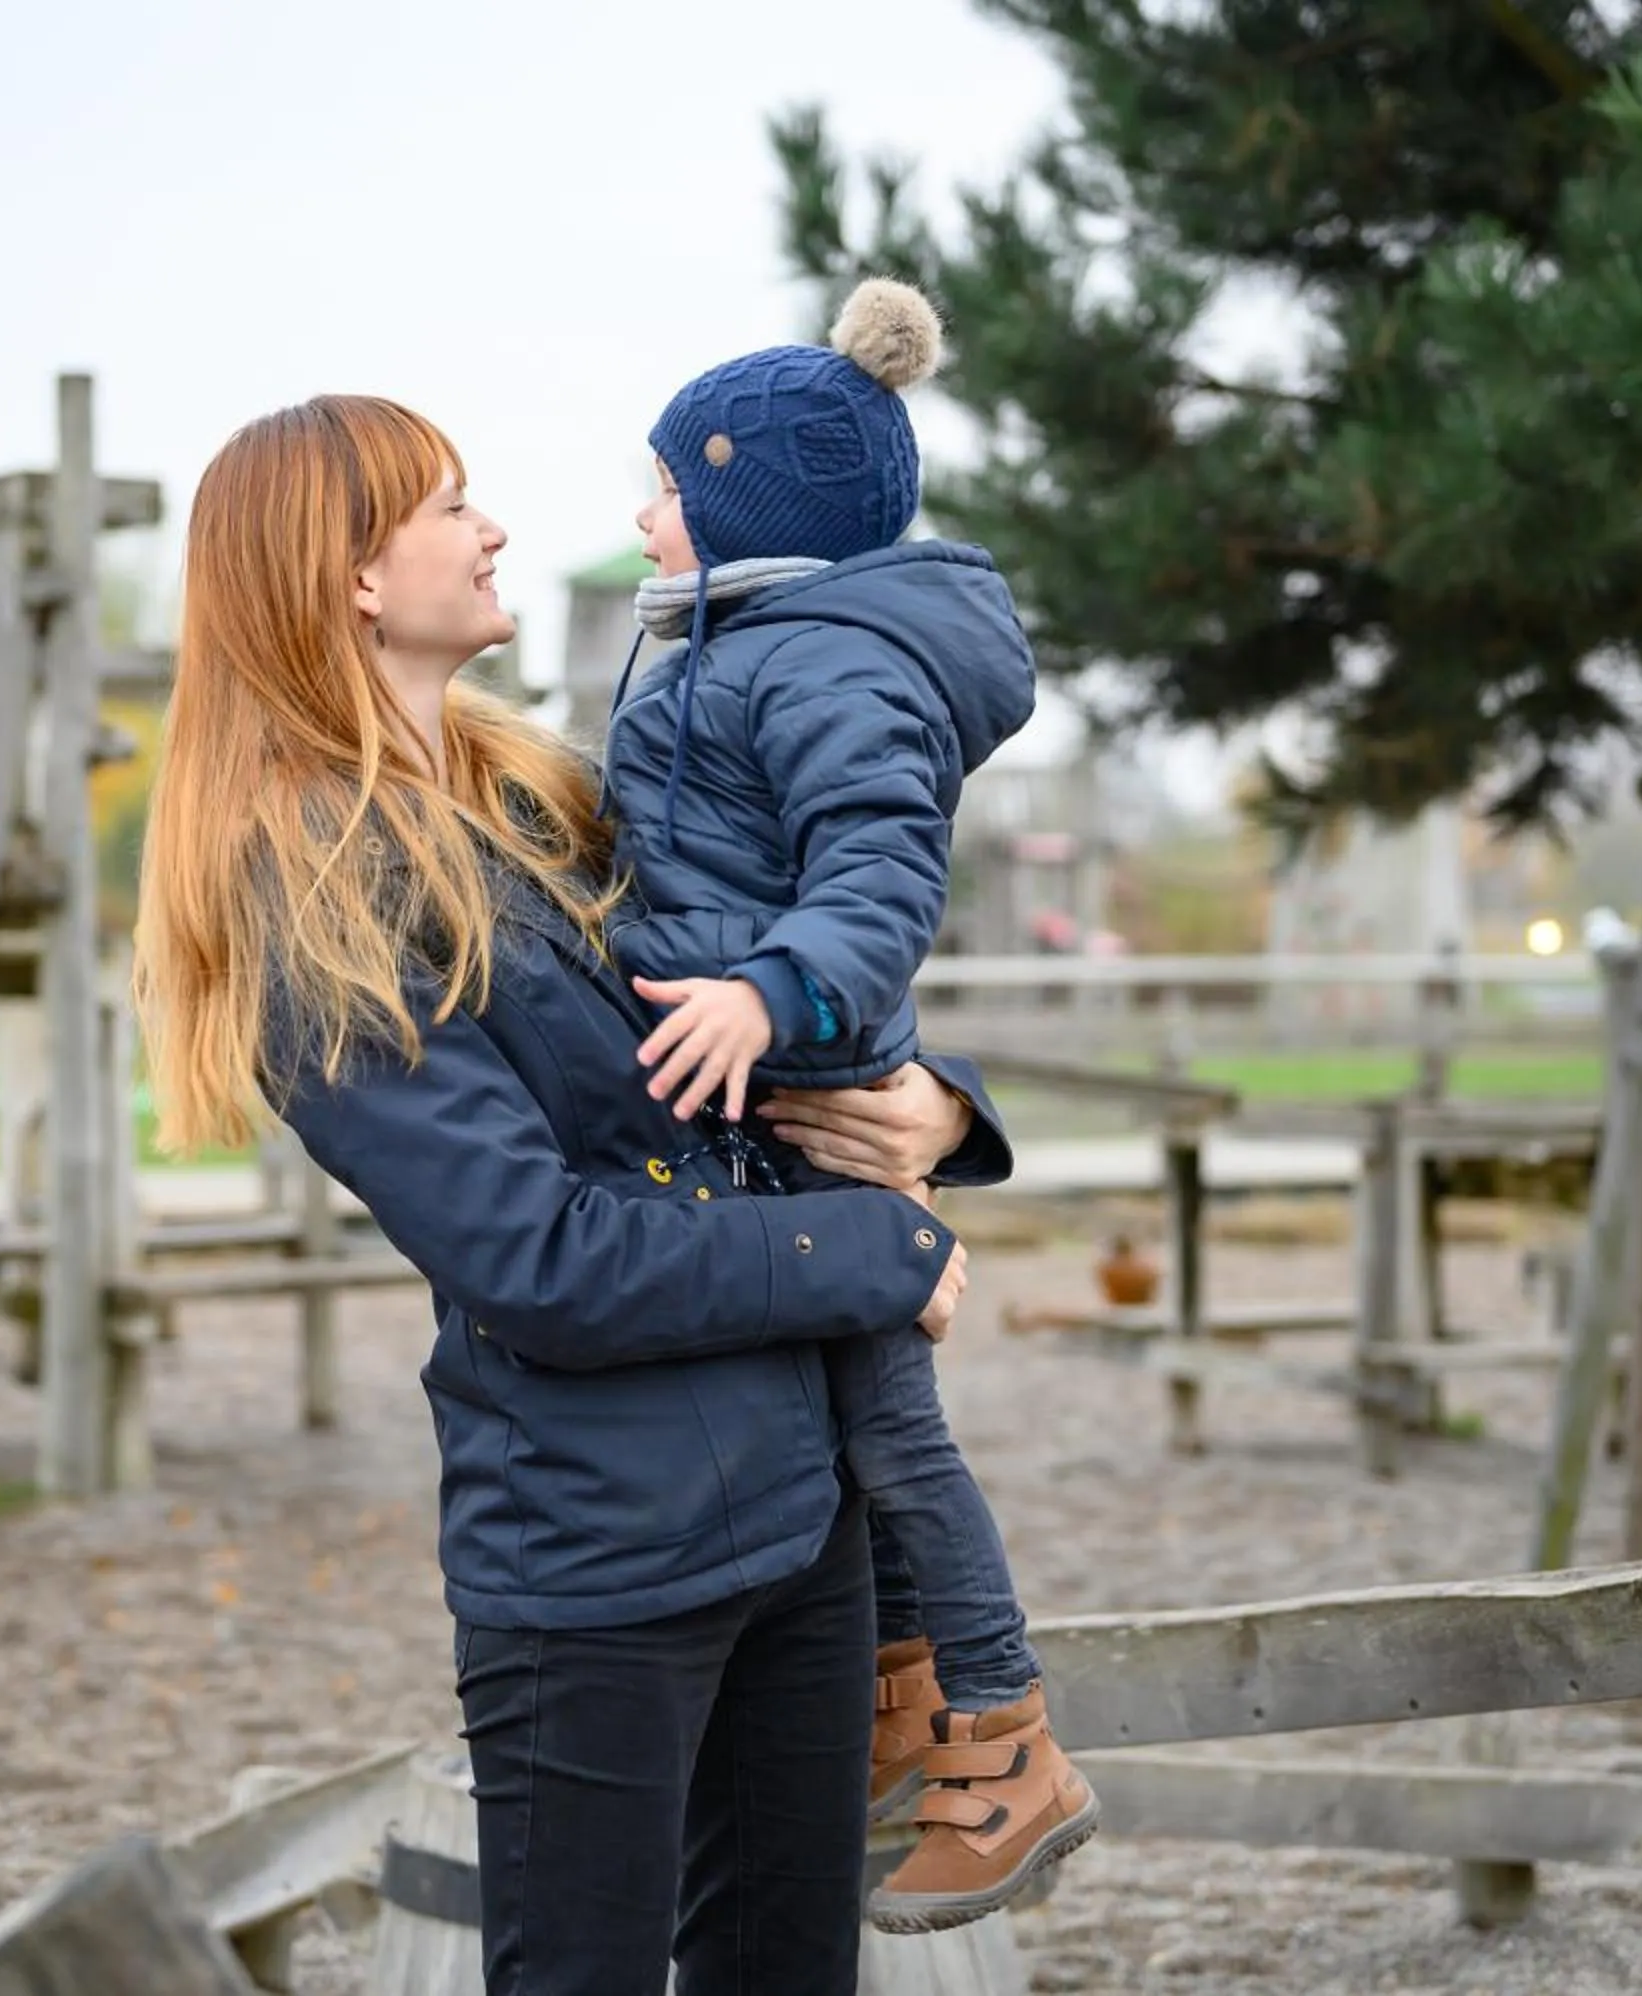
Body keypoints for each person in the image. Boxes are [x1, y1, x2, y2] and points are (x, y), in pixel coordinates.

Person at [132, 393, 1019, 1995]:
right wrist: (874, 1249)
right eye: (453, 504)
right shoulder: (312, 906)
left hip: (795, 1511)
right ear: (349, 575)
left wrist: (932, 1113)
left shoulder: (538, 803)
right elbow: (540, 1257)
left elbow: (752, 1004)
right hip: (601, 1565)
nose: (495, 531)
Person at [603, 278, 1097, 1933]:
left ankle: (1007, 1742)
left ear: (744, 498)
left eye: (664, 485)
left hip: (806, 1093)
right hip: (767, 1107)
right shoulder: (741, 648)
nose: (641, 512)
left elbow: (881, 879)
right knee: (848, 1438)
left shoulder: (826, 666)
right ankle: (900, 1703)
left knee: (895, 1439)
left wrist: (768, 995)